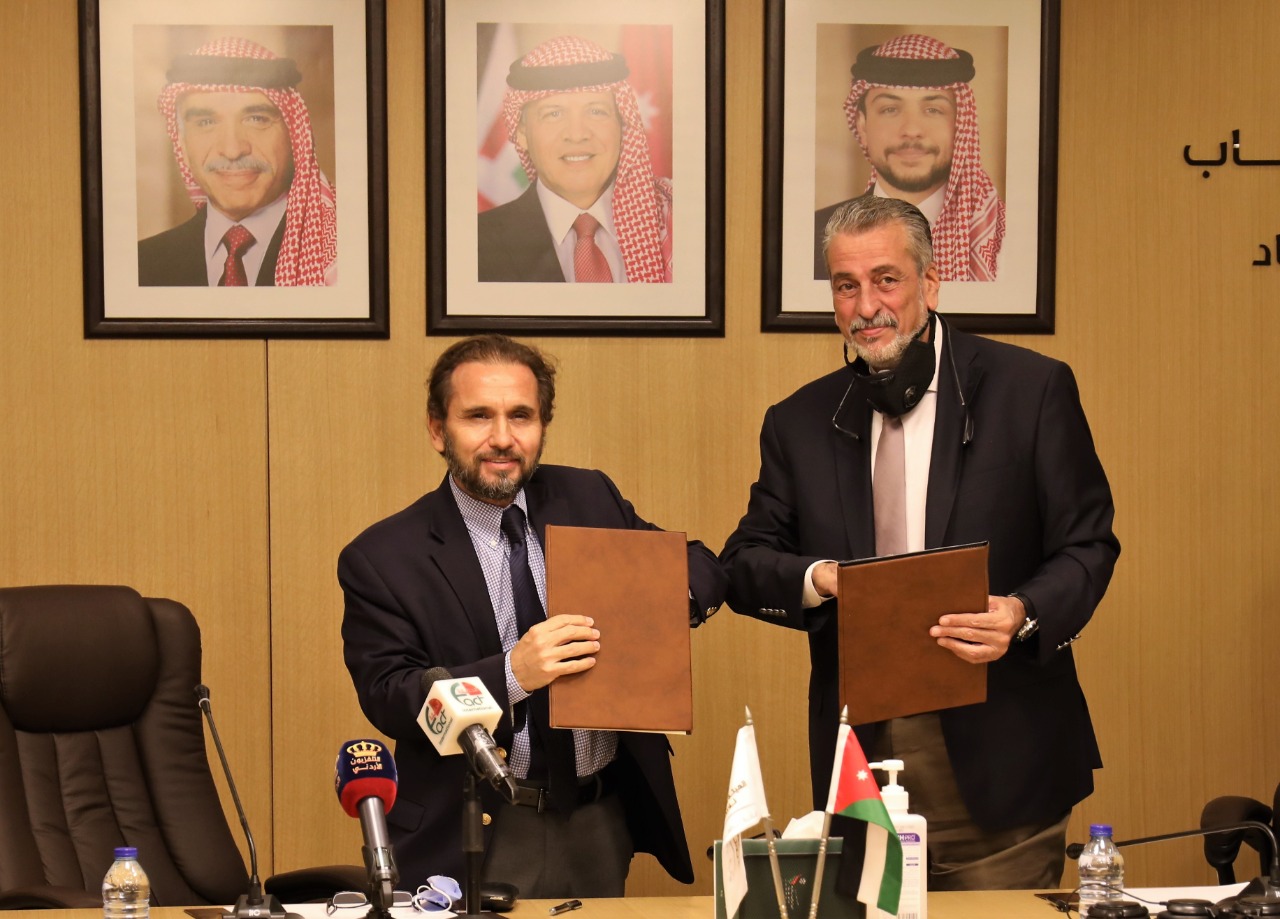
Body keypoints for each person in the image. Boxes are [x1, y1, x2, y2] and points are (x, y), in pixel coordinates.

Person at [724, 196, 1118, 890]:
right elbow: (745, 562)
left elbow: (1088, 545)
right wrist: (821, 577)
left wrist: (1022, 612)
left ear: (930, 284)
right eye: (846, 285)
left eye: (886, 279)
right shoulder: (798, 420)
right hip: (861, 767)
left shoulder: (1031, 390)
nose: (866, 305)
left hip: (1003, 760)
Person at [339, 335, 724, 897]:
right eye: (478, 416)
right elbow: (392, 699)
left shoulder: (587, 496)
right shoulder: (383, 557)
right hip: (477, 824)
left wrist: (659, 605)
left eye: (521, 415)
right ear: (437, 430)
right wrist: (512, 674)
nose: (502, 438)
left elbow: (700, 565)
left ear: (542, 424)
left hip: (599, 815)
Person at [138, 36, 337, 287]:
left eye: (257, 119)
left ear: (294, 136)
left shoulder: (341, 258)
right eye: (206, 123)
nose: (232, 150)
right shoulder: (141, 266)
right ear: (183, 144)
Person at [477, 35, 673, 283]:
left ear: (622, 125)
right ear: (522, 134)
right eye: (554, 114)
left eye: (596, 111)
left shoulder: (675, 224)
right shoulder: (475, 245)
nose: (577, 134)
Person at [813, 33, 1005, 283]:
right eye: (890, 109)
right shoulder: (813, 236)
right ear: (862, 126)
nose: (912, 130)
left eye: (933, 110)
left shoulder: (1003, 238)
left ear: (960, 125)